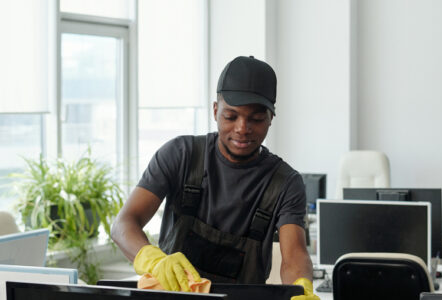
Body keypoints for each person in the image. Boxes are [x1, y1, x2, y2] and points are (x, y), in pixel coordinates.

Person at [111, 56, 319, 300]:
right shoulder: (181, 155)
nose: (242, 128)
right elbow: (124, 224)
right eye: (231, 116)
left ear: (271, 118)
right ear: (215, 110)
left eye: (256, 119)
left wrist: (301, 288)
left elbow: (294, 254)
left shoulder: (285, 183)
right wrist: (153, 260)